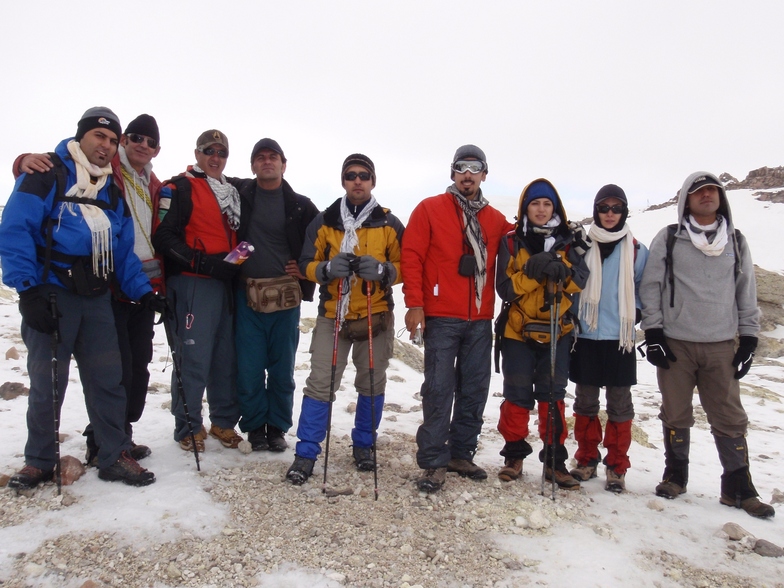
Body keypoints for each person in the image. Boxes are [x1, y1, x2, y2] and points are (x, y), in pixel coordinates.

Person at [0, 106, 163, 489]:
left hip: (95, 296)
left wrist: (145, 293)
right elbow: (15, 228)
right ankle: (39, 460)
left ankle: (113, 455)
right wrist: (28, 290)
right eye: (98, 137)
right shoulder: (46, 175)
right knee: (47, 381)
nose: (104, 146)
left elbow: (123, 251)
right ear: (81, 136)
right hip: (51, 293)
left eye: (110, 140)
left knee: (108, 379)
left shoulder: (110, 190)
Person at [640, 172, 774, 518]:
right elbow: (651, 286)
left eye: (713, 190)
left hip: (720, 344)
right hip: (676, 343)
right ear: (686, 198)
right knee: (676, 411)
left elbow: (746, 292)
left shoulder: (735, 241)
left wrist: (749, 338)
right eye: (699, 191)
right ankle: (676, 475)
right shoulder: (669, 238)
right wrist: (653, 333)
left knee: (729, 416)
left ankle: (738, 486)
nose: (707, 195)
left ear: (721, 198)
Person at [286, 154, 403, 485]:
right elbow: (306, 261)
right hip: (332, 314)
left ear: (373, 181)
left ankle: (364, 446)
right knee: (321, 384)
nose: (357, 181)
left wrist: (384, 271)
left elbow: (406, 264)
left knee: (371, 383)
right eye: (351, 175)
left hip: (374, 314)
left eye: (363, 175)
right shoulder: (324, 221)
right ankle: (306, 454)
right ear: (343, 181)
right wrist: (324, 270)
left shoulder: (389, 224)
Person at [401, 145, 512, 493]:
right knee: (438, 389)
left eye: (474, 168)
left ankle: (461, 454)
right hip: (441, 316)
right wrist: (414, 304)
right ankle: (434, 461)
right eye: (461, 168)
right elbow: (412, 256)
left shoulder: (495, 220)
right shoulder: (430, 209)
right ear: (452, 173)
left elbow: (524, 239)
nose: (467, 174)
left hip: (480, 318)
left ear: (483, 174)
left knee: (475, 387)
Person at [152, 130, 243, 453]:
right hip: (191, 283)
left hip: (223, 286)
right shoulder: (180, 187)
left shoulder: (230, 192)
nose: (215, 158)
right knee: (193, 357)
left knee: (224, 357)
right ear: (197, 153)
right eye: (209, 151)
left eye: (222, 152)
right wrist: (202, 262)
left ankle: (223, 421)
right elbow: (163, 238)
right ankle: (188, 426)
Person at [495, 179, 588, 490]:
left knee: (553, 396)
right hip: (517, 331)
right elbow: (505, 288)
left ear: (555, 207)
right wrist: (533, 272)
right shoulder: (510, 241)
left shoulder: (571, 240)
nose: (541, 209)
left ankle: (554, 462)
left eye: (547, 204)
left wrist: (563, 273)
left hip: (556, 330)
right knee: (517, 394)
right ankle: (514, 456)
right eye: (535, 204)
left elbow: (581, 280)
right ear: (525, 207)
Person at [229, 138, 319, 452]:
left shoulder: (301, 204)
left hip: (286, 297)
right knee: (250, 367)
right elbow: (209, 180)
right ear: (253, 165)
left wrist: (306, 268)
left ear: (283, 164)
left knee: (282, 368)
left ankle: (277, 427)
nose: (267, 162)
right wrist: (232, 265)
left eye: (273, 157)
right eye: (261, 157)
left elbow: (322, 240)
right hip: (247, 294)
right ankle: (255, 427)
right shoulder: (240, 195)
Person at [568, 184, 648, 492]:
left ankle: (617, 466)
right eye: (604, 208)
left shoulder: (638, 250)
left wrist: (637, 311)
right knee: (586, 402)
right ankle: (586, 460)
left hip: (620, 338)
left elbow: (644, 287)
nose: (610, 213)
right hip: (586, 335)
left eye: (616, 208)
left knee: (619, 404)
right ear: (596, 211)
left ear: (624, 212)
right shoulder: (581, 246)